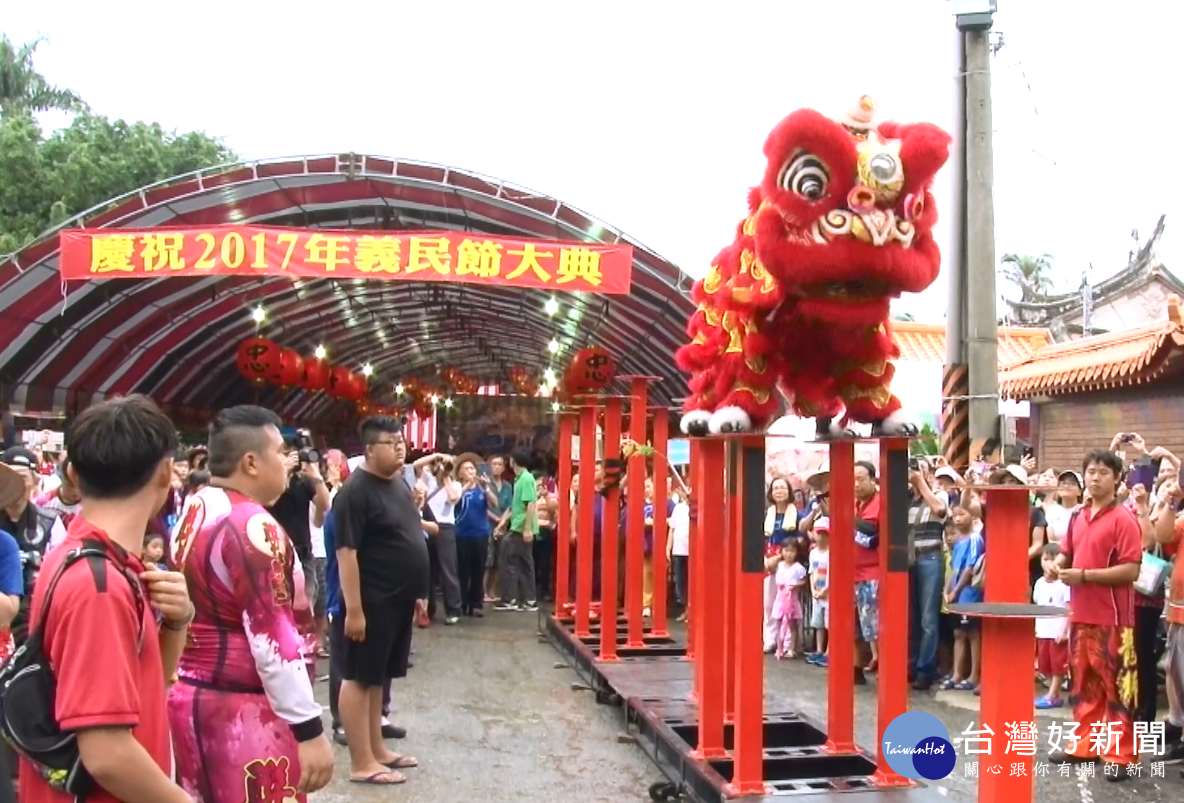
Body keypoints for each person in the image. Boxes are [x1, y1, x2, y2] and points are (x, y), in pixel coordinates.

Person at [19, 395, 193, 803]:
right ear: (167, 473)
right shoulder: (99, 585)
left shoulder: (87, 561)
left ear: (73, 476)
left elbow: (144, 686)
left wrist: (177, 621)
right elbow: (108, 755)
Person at [168, 406, 334, 802]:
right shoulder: (253, 525)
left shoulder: (196, 507)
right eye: (279, 452)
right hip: (244, 712)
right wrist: (308, 728)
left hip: (190, 700)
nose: (287, 463)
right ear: (251, 462)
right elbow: (273, 639)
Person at [334, 416, 427, 786]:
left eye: (401, 440)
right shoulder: (355, 491)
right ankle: (361, 761)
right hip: (371, 601)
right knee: (358, 677)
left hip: (398, 599)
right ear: (370, 450)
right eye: (391, 442)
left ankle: (376, 748)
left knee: (378, 678)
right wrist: (354, 610)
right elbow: (346, 553)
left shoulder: (397, 485)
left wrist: (418, 593)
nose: (400, 446)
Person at [1049, 449, 1142, 781]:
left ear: (1117, 479)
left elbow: (1131, 570)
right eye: (1090, 471)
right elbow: (1066, 553)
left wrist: (1084, 575)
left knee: (1117, 686)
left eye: (1103, 472)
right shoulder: (1078, 516)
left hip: (1114, 618)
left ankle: (1120, 754)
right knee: (1084, 683)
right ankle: (1084, 746)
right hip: (1081, 614)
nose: (1095, 477)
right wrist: (1057, 566)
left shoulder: (1124, 519)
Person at [906, 459, 948, 691]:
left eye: (918, 468)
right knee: (911, 617)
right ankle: (910, 664)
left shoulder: (939, 495)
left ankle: (926, 669)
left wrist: (921, 483)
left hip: (930, 557)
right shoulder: (905, 499)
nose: (913, 473)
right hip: (909, 559)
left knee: (928, 618)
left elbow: (940, 511)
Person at [940, 503, 984, 692]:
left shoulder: (975, 539)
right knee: (958, 633)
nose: (957, 519)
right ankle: (957, 673)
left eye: (962, 514)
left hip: (968, 594)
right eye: (955, 515)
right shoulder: (958, 541)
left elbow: (969, 569)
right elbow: (954, 568)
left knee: (972, 633)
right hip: (955, 595)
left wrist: (955, 591)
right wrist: (947, 591)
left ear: (973, 517)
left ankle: (974, 674)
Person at [496, 450, 538, 611]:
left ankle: (510, 598)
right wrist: (504, 521)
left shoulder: (526, 479)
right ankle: (528, 599)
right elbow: (517, 506)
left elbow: (531, 504)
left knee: (509, 560)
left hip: (521, 528)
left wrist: (527, 528)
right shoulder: (520, 479)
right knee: (522, 562)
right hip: (518, 525)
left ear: (514, 461)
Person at [454, 454, 495, 617]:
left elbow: (494, 503)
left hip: (480, 533)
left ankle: (476, 603)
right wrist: (466, 486)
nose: (470, 471)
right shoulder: (456, 487)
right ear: (460, 473)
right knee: (462, 571)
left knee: (478, 569)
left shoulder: (481, 488)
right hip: (461, 533)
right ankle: (463, 603)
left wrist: (486, 488)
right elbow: (454, 501)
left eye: (472, 468)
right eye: (466, 469)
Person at [1033, 542, 1071, 709]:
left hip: (1058, 631)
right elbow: (1037, 602)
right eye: (1045, 559)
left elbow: (1070, 609)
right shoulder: (1039, 583)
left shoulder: (1065, 584)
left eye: (1053, 559)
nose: (1049, 563)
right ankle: (1053, 692)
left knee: (1058, 665)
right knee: (1045, 665)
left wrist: (1065, 631)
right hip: (1043, 630)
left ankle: (1053, 694)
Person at [763, 478, 798, 652]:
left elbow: (798, 540)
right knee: (769, 604)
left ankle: (787, 643)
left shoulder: (796, 514)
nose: (779, 491)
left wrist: (780, 557)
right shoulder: (766, 514)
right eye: (775, 488)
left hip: (787, 560)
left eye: (782, 488)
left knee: (787, 603)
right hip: (768, 560)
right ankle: (769, 639)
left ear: (789, 491)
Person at [852, 460, 880, 684]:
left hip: (872, 573)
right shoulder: (853, 504)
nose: (856, 484)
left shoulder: (879, 502)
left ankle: (883, 666)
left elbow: (871, 535)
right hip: (850, 572)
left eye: (860, 479)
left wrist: (844, 515)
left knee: (873, 626)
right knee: (852, 626)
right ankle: (855, 668)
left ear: (873, 480)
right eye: (853, 479)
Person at [769, 540, 806, 659]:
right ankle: (780, 647)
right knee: (779, 622)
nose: (789, 554)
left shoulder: (798, 568)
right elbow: (769, 567)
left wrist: (796, 586)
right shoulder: (779, 565)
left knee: (792, 624)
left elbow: (803, 580)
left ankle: (792, 648)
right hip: (780, 597)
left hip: (792, 598)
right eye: (786, 550)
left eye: (792, 551)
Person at [806, 517, 830, 667]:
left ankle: (829, 651)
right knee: (818, 623)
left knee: (829, 624)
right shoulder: (813, 553)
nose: (821, 537)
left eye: (825, 534)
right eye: (818, 533)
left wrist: (825, 591)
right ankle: (819, 649)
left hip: (828, 594)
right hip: (816, 593)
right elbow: (811, 572)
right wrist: (813, 590)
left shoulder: (832, 553)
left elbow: (834, 575)